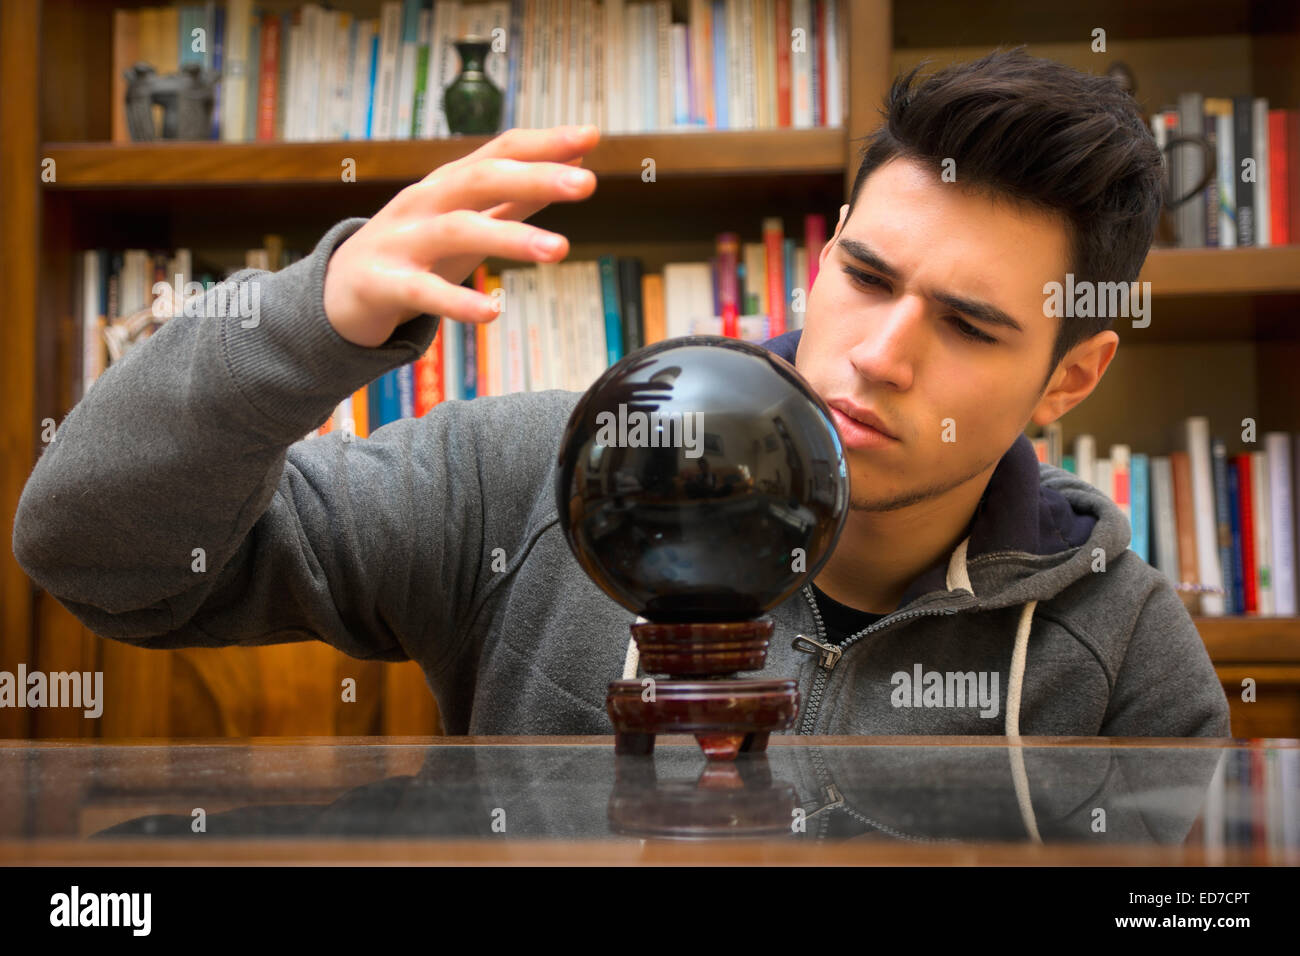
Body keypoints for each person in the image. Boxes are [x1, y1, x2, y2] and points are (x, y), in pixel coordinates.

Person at [14, 49, 1230, 738]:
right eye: (865, 275)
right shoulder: (530, 478)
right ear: (823, 258)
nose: (879, 354)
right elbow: (89, 553)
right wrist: (311, 319)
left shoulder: (1120, 648)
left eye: (969, 324)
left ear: (1068, 372)